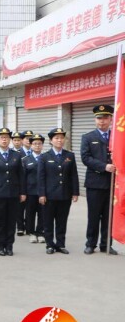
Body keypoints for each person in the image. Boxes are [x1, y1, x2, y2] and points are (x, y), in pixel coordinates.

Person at [81, 104, 118, 255]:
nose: (102, 121)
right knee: (94, 215)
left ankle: (106, 244)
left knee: (109, 217)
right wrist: (104, 166)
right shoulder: (88, 137)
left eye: (105, 118)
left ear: (111, 119)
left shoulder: (117, 137)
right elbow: (85, 158)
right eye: (99, 118)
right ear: (95, 120)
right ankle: (91, 244)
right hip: (95, 183)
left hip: (112, 183)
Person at [38, 128, 79, 254]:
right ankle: (50, 245)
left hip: (65, 194)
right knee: (48, 221)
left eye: (61, 138)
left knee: (62, 221)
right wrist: (42, 194)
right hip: (49, 195)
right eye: (56, 138)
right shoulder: (44, 157)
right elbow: (41, 177)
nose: (59, 140)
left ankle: (60, 244)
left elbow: (74, 175)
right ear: (51, 141)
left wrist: (75, 192)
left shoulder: (69, 155)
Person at [0, 128, 26, 256]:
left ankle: (9, 245)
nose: (4, 139)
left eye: (7, 137)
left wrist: (23, 192)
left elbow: (21, 175)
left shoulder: (17, 155)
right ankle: (0, 245)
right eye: (1, 137)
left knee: (11, 220)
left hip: (13, 193)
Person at [22, 133, 45, 244]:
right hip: (30, 191)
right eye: (34, 144)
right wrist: (23, 192)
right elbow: (23, 177)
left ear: (42, 145)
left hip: (43, 191)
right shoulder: (26, 159)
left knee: (42, 213)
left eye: (39, 144)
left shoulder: (46, 158)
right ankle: (31, 232)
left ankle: (40, 232)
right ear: (31, 145)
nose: (37, 146)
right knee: (30, 213)